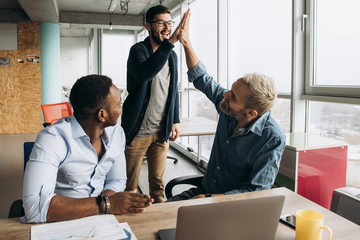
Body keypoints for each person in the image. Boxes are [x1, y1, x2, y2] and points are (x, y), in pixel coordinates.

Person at [167, 10, 286, 201]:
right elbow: (201, 78)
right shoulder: (229, 106)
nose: (225, 94)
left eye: (233, 96)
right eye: (230, 89)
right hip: (203, 193)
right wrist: (186, 41)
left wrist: (213, 199)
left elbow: (257, 191)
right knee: (160, 217)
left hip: (231, 206)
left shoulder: (271, 138)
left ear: (250, 112)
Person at [22, 75, 153, 223]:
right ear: (102, 115)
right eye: (118, 105)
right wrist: (106, 204)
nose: (121, 109)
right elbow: (34, 208)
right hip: (61, 221)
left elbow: (117, 179)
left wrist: (107, 204)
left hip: (103, 218)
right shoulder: (53, 139)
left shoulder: (117, 133)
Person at [121, 5, 185, 203]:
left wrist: (174, 120)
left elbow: (173, 89)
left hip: (161, 132)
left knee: (158, 187)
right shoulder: (138, 51)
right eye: (161, 23)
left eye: (169, 22)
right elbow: (143, 74)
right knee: (129, 186)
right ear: (148, 26)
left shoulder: (172, 55)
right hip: (137, 131)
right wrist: (170, 43)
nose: (167, 27)